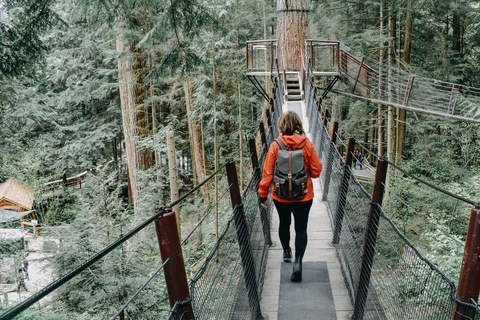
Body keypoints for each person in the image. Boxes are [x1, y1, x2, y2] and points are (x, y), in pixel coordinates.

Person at [258, 111, 323, 282]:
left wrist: (263, 195)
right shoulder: (307, 144)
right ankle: (298, 262)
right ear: (298, 125)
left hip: (281, 197)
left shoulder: (275, 145)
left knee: (284, 224)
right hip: (303, 196)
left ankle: (286, 251)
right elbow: (316, 172)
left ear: (281, 125)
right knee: (301, 229)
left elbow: (267, 173)